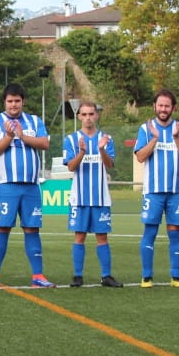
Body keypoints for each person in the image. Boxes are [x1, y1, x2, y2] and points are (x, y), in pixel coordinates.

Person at [0, 83, 54, 288]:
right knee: (2, 228)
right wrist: (9, 137)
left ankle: (38, 276)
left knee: (32, 229)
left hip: (31, 186)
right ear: (4, 102)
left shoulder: (34, 121)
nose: (14, 105)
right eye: (10, 101)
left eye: (17, 101)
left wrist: (23, 136)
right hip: (6, 186)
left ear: (23, 101)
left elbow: (45, 144)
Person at [134, 89, 179, 288]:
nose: (163, 109)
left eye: (167, 106)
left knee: (175, 232)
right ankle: (146, 276)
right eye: (160, 105)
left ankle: (176, 277)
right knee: (150, 232)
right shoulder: (146, 128)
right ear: (154, 107)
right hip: (153, 191)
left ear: (173, 108)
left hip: (176, 191)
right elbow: (140, 157)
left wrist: (175, 137)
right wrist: (155, 139)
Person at [63, 101, 122, 288]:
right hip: (79, 198)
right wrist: (82, 152)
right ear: (79, 116)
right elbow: (71, 166)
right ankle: (77, 276)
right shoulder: (71, 139)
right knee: (79, 236)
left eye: (91, 114)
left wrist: (101, 149)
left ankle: (106, 276)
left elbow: (110, 165)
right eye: (84, 114)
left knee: (102, 237)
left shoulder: (106, 138)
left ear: (96, 115)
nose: (88, 118)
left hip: (100, 197)